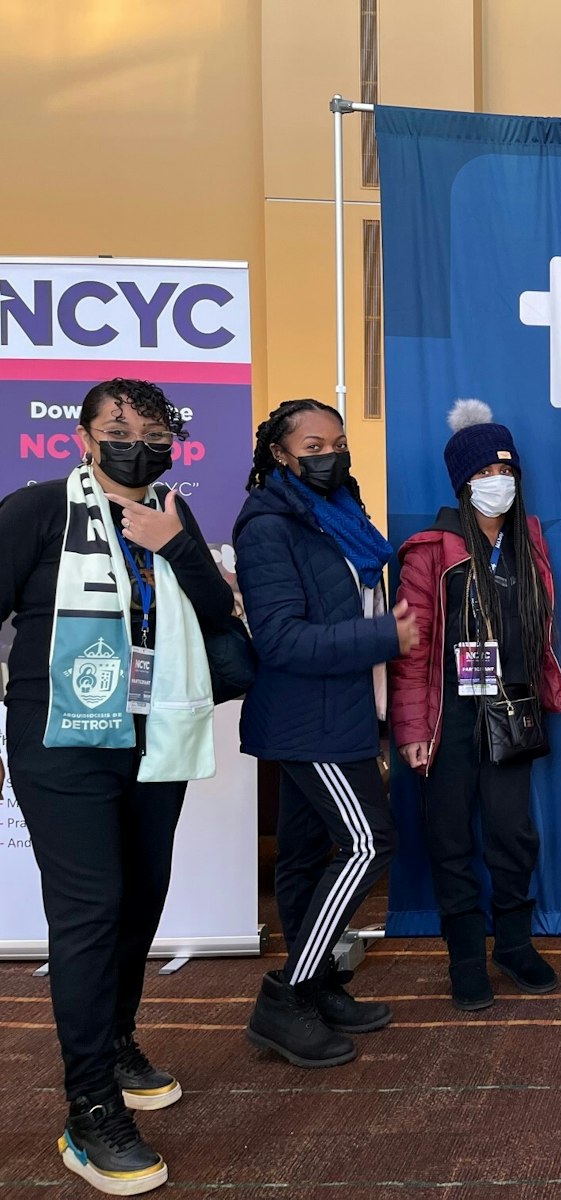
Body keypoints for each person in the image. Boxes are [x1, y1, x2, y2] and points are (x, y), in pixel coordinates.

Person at [0, 379, 233, 1195]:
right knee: (92, 909)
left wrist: (175, 545)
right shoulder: (34, 511)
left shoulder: (173, 511)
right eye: (120, 428)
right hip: (60, 740)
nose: (142, 441)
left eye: (155, 427)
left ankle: (117, 1041)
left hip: (151, 736)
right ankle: (90, 1108)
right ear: (83, 438)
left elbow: (216, 616)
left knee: (139, 900)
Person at [234, 398, 418, 1069]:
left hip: (345, 711)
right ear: (280, 454)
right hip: (306, 719)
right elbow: (280, 638)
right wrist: (384, 635)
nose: (330, 454)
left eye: (337, 442)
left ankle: (317, 985)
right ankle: (284, 999)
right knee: (370, 842)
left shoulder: (342, 517)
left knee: (307, 857)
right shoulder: (268, 527)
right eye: (313, 445)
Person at [391, 400, 561, 1011]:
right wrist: (412, 728)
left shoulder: (530, 544)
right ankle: (465, 958)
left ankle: (514, 946)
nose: (499, 484)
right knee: (449, 837)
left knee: (513, 834)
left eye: (506, 472)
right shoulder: (430, 551)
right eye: (484, 476)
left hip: (513, 709)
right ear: (463, 484)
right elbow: (409, 653)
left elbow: (543, 630)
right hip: (449, 717)